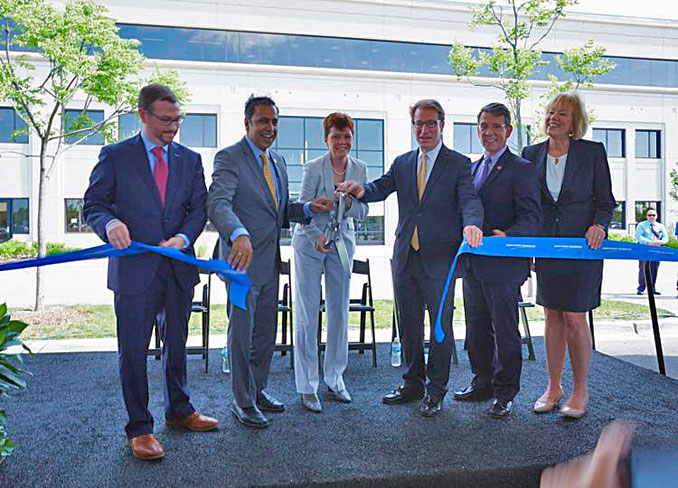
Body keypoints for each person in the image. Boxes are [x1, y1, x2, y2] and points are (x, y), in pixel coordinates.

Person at [83, 84, 218, 461]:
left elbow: (198, 209)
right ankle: (140, 428)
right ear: (142, 114)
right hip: (134, 272)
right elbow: (93, 204)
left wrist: (183, 237)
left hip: (177, 269)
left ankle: (179, 411)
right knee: (133, 351)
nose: (172, 127)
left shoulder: (190, 160)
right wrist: (109, 224)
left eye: (177, 120)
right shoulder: (115, 156)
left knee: (177, 343)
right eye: (165, 120)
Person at [338, 99, 483, 418]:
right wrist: (359, 189)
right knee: (409, 327)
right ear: (413, 126)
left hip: (440, 260)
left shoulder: (458, 163)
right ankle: (412, 383)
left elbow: (469, 198)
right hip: (405, 258)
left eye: (431, 123)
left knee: (440, 328)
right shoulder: (403, 162)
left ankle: (436, 390)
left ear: (442, 125)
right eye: (419, 124)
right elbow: (380, 187)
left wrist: (472, 224)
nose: (424, 130)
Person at [207, 95, 333, 429]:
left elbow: (278, 212)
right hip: (240, 264)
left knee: (265, 334)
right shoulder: (229, 158)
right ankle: (242, 401)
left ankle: (257, 390)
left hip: (270, 263)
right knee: (242, 334)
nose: (270, 128)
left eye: (274, 121)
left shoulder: (277, 161)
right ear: (247, 123)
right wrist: (238, 233)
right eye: (263, 121)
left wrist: (307, 209)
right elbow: (219, 204)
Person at [522, 92, 615, 419]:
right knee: (552, 315)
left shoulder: (592, 153)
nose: (553, 118)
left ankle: (580, 391)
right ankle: (553, 386)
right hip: (547, 248)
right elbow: (528, 205)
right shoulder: (530, 154)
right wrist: (528, 247)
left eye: (561, 114)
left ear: (575, 123)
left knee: (575, 317)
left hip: (583, 248)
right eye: (550, 112)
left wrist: (599, 226)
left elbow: (606, 201)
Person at [453, 103, 541, 418]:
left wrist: (511, 236)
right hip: (474, 263)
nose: (489, 132)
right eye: (483, 126)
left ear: (508, 130)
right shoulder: (473, 169)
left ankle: (505, 393)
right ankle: (482, 383)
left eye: (496, 126)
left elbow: (532, 216)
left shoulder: (522, 168)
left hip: (504, 263)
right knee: (476, 326)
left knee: (505, 329)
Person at [292, 113, 369, 413]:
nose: (342, 142)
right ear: (326, 139)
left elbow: (363, 212)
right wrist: (315, 237)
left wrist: (348, 202)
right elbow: (300, 210)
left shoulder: (360, 168)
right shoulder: (313, 167)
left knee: (339, 313)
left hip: (341, 246)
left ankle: (335, 378)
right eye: (336, 136)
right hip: (310, 245)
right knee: (308, 316)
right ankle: (307, 386)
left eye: (347, 136)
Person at [635, 208, 667, 295]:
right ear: (647, 216)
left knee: (654, 268)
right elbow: (639, 237)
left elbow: (665, 238)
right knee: (643, 268)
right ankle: (641, 288)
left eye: (653, 215)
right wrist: (649, 242)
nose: (651, 217)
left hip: (656, 249)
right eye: (649, 215)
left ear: (657, 216)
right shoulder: (641, 225)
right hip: (644, 249)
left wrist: (660, 242)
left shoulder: (660, 226)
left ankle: (652, 288)